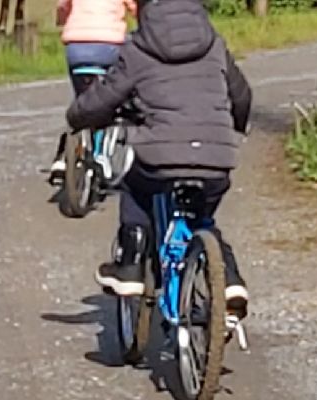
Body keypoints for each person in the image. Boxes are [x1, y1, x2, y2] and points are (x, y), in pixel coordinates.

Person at [67, 0, 253, 317]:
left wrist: (79, 117)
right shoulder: (214, 44)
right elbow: (241, 95)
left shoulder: (139, 47)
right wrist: (235, 126)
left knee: (134, 184)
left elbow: (104, 98)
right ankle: (230, 279)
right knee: (201, 217)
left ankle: (131, 265)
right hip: (216, 154)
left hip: (160, 158)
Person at [44, 0, 139, 176]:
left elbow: (63, 7)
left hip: (76, 48)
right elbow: (136, 8)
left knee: (82, 99)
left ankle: (63, 156)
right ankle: (100, 155)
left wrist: (66, 20)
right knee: (109, 99)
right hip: (109, 46)